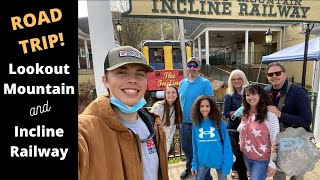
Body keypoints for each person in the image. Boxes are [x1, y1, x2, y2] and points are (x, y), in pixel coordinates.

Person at [78, 46, 169, 180]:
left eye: (140, 74)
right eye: (121, 72)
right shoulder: (85, 130)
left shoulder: (153, 124)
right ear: (105, 81)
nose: (133, 80)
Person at [264, 62, 312, 180]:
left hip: (297, 141)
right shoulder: (266, 90)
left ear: (285, 74)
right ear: (267, 77)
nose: (274, 76)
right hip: (278, 140)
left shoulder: (298, 92)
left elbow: (306, 120)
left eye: (278, 73)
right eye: (270, 74)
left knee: (297, 174)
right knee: (278, 174)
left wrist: (280, 114)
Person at [178, 57, 214, 179]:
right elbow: (179, 102)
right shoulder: (182, 83)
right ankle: (189, 168)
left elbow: (211, 102)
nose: (192, 68)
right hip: (184, 123)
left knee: (202, 151)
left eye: (195, 65)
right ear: (187, 67)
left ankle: (207, 176)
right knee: (187, 149)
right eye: (190, 65)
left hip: (199, 123)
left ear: (199, 67)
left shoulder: (205, 83)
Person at [238, 84, 279, 180]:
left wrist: (272, 162)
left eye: (253, 94)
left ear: (260, 95)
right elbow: (241, 131)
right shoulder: (245, 112)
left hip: (262, 159)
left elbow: (275, 139)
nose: (250, 97)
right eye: (247, 95)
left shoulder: (269, 115)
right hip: (246, 155)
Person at [191, 95, 233, 180]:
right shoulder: (196, 124)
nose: (204, 109)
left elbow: (226, 144)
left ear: (211, 107)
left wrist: (227, 164)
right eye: (202, 106)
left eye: (207, 106)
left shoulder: (219, 122)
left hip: (220, 161)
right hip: (203, 161)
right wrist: (194, 164)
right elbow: (195, 145)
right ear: (198, 108)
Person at [223, 69, 249, 180]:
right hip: (233, 128)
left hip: (248, 127)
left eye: (239, 78)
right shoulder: (229, 95)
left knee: (246, 150)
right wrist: (234, 113)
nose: (237, 81)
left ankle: (245, 169)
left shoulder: (249, 91)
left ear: (243, 79)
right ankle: (236, 170)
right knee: (235, 150)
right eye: (234, 79)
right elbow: (225, 112)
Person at [150, 84, 183, 155]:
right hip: (156, 142)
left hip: (167, 143)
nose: (171, 95)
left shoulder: (177, 108)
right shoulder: (158, 107)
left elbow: (172, 129)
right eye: (168, 93)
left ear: (177, 95)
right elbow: (151, 125)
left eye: (173, 92)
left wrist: (167, 147)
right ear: (165, 95)